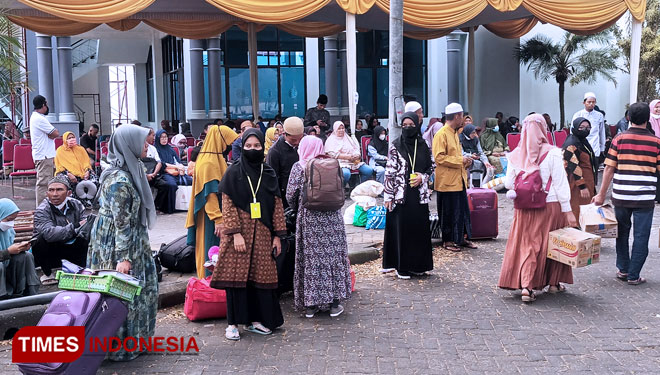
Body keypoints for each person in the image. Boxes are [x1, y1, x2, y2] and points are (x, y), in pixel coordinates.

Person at [87, 124, 158, 361]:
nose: (148, 145)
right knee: (122, 291)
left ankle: (137, 342)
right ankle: (118, 347)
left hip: (133, 239)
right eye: (143, 141)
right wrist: (124, 258)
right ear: (129, 145)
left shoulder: (132, 169)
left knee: (143, 290)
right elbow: (121, 223)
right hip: (118, 243)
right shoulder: (119, 180)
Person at [210, 128, 287, 340]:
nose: (252, 150)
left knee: (260, 279)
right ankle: (233, 324)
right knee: (236, 279)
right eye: (248, 146)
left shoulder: (268, 173)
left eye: (257, 146)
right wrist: (235, 233)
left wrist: (278, 235)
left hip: (263, 234)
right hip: (239, 234)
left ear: (263, 146)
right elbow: (227, 204)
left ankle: (255, 321)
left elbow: (277, 206)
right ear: (242, 147)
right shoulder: (233, 172)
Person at [498, 113, 575, 302]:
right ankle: (554, 283)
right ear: (543, 129)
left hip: (524, 208)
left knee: (528, 245)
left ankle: (526, 286)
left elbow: (508, 184)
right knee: (553, 244)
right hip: (550, 206)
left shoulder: (516, 154)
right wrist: (568, 210)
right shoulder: (554, 153)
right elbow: (560, 183)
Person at [592, 102, 660, 285]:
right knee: (641, 236)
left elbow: (608, 169)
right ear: (648, 120)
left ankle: (623, 269)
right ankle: (634, 275)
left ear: (628, 118)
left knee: (621, 233)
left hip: (621, 196)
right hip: (644, 199)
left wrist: (600, 195)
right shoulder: (656, 142)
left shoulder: (619, 139)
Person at [286, 135, 352, 318]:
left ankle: (310, 306)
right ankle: (334, 304)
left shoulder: (299, 167)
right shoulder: (332, 164)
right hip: (332, 220)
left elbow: (290, 195)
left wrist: (297, 207)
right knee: (333, 258)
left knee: (311, 260)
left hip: (309, 220)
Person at [382, 112, 434, 279]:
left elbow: (431, 166)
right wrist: (388, 197)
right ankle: (401, 267)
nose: (407, 128)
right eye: (404, 125)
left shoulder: (424, 144)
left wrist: (422, 177)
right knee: (402, 230)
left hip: (419, 194)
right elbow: (389, 172)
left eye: (411, 125)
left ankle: (419, 265)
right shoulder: (396, 145)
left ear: (417, 125)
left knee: (418, 230)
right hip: (400, 195)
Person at [186, 125, 239, 279]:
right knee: (211, 249)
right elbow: (209, 194)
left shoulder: (215, 158)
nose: (229, 147)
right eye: (228, 143)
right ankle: (209, 284)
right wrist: (218, 219)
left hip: (217, 215)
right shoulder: (209, 163)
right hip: (212, 218)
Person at [433, 103, 476, 252]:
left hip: (459, 179)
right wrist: (460, 160)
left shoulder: (454, 133)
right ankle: (448, 240)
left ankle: (461, 238)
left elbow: (456, 156)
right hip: (447, 182)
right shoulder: (442, 134)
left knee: (462, 210)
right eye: (462, 116)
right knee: (449, 212)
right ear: (457, 116)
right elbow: (439, 158)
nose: (463, 119)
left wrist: (466, 161)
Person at [32, 176, 89, 285]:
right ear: (47, 193)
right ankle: (47, 273)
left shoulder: (77, 205)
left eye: (59, 190)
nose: (54, 194)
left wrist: (78, 229)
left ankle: (80, 269)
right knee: (40, 240)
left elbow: (85, 227)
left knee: (85, 238)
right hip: (51, 250)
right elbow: (49, 234)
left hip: (70, 247)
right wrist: (75, 227)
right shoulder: (42, 210)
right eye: (51, 190)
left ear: (69, 193)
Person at [0, 199, 39, 298]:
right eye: (9, 220)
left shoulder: (8, 231)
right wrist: (8, 252)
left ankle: (30, 292)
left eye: (13, 219)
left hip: (6, 267)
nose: (11, 223)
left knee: (26, 256)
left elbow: (8, 249)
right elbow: (6, 252)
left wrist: (19, 248)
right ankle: (2, 296)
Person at [561, 117, 597, 220]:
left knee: (586, 210)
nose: (585, 130)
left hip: (587, 181)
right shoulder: (571, 143)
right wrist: (582, 186)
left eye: (588, 127)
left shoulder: (582, 141)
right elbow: (573, 165)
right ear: (575, 127)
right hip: (577, 184)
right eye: (581, 127)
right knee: (578, 209)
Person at [266, 117, 304, 208]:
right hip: (285, 195)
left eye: (300, 139)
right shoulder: (275, 151)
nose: (298, 142)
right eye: (293, 140)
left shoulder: (305, 142)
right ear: (284, 134)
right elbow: (272, 178)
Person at [54, 131, 98, 207]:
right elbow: (60, 166)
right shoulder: (60, 150)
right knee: (65, 180)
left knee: (95, 179)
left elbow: (86, 162)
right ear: (65, 140)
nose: (72, 139)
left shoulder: (80, 149)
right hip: (67, 173)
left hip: (83, 173)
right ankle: (71, 204)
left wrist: (87, 171)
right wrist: (69, 174)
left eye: (73, 137)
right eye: (69, 138)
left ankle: (90, 201)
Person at [30, 95, 59, 207]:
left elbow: (52, 134)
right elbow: (55, 133)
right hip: (44, 156)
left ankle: (47, 207)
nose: (47, 107)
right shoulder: (39, 118)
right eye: (46, 104)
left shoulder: (37, 118)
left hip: (45, 155)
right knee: (43, 184)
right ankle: (42, 209)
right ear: (43, 105)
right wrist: (51, 134)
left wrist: (51, 135)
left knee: (48, 183)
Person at [572, 92, 606, 165]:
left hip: (595, 147)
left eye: (593, 102)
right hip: (581, 147)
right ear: (584, 102)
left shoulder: (599, 115)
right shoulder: (578, 115)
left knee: (594, 172)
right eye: (589, 102)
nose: (591, 104)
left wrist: (602, 147)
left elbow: (601, 132)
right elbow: (572, 132)